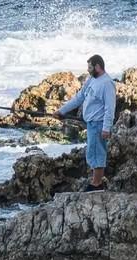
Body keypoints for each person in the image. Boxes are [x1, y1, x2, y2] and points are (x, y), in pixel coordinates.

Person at [54, 54, 116, 192]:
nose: (88, 70)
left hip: (99, 124)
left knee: (97, 153)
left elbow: (109, 108)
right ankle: (96, 182)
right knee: (91, 153)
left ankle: (96, 184)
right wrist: (62, 111)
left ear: (98, 66)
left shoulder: (107, 84)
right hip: (90, 124)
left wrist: (106, 128)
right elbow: (79, 97)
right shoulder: (91, 80)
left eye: (90, 67)